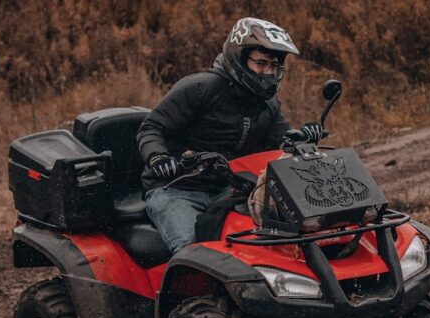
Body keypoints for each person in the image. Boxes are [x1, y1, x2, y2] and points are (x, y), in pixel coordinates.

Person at [137, 17, 325, 255]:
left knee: (269, 242)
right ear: (239, 57)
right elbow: (151, 127)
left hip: (229, 189)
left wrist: (303, 137)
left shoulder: (267, 104)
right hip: (175, 189)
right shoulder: (200, 88)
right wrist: (158, 158)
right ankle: (188, 292)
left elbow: (280, 142)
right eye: (261, 63)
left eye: (275, 66)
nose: (269, 72)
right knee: (192, 251)